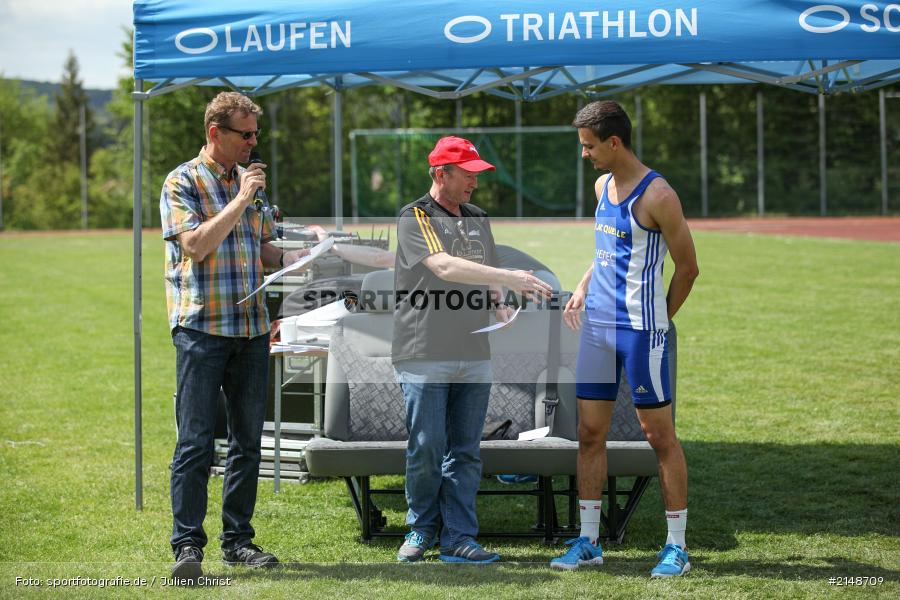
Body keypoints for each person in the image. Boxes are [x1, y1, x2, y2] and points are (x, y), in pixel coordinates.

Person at [160, 91, 308, 583]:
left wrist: (311, 255)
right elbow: (198, 245)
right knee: (197, 442)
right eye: (244, 135)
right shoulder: (182, 181)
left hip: (249, 330)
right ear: (214, 133)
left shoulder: (253, 186)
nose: (252, 143)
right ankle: (187, 545)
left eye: (255, 135)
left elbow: (262, 249)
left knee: (248, 442)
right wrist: (242, 197)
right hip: (201, 330)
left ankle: (238, 542)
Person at [552, 101, 699, 577]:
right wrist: (582, 286)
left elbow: (689, 268)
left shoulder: (659, 196)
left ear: (614, 142)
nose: (584, 155)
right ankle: (589, 541)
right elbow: (608, 251)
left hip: (641, 333)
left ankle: (676, 547)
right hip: (596, 332)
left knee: (659, 436)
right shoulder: (602, 185)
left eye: (589, 146)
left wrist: (659, 319)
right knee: (589, 433)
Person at [392, 136, 552, 563]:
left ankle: (459, 537)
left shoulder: (478, 217)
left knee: (465, 450)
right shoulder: (415, 216)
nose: (474, 183)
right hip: (424, 349)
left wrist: (499, 298)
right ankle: (422, 528)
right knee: (426, 445)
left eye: (477, 175)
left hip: (475, 349)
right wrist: (510, 277)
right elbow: (443, 265)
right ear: (441, 173)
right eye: (468, 174)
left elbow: (485, 269)